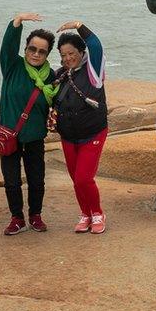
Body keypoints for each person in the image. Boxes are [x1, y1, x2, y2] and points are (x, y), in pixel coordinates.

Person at [0, 12, 58, 236]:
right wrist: (17, 22)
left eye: (42, 51)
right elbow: (7, 46)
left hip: (34, 137)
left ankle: (35, 215)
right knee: (12, 182)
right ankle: (17, 218)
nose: (36, 54)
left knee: (37, 181)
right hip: (9, 136)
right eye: (32, 48)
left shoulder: (51, 76)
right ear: (25, 49)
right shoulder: (12, 66)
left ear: (47, 54)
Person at [53, 20, 109, 234]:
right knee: (76, 180)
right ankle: (85, 214)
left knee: (84, 178)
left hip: (92, 132)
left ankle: (97, 213)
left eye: (71, 53)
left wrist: (79, 26)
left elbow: (96, 45)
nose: (67, 58)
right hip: (68, 136)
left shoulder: (93, 71)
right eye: (63, 55)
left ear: (80, 52)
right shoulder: (61, 75)